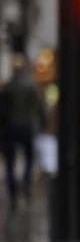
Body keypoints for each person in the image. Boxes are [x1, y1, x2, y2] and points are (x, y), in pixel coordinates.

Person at [0, 56, 44, 208]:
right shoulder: (31, 86)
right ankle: (25, 184)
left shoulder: (8, 86)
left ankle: (13, 192)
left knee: (10, 163)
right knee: (29, 158)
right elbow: (39, 107)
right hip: (26, 126)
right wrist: (42, 123)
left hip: (10, 128)